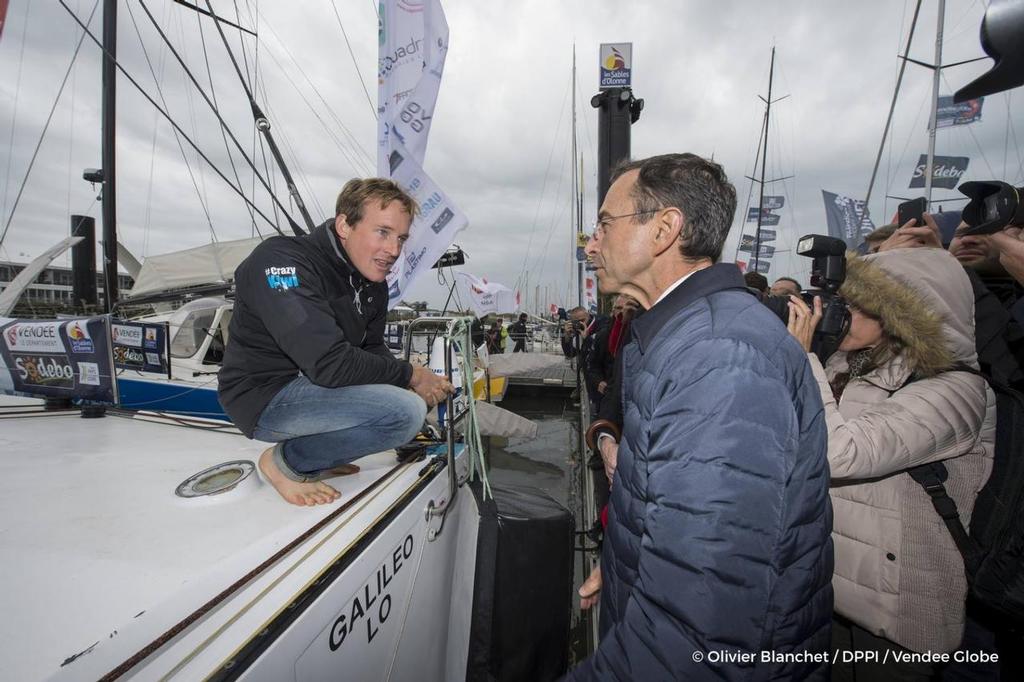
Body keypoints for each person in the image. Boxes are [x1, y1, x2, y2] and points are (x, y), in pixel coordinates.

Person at [569, 153, 833, 680]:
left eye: (603, 223)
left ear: (665, 229)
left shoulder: (720, 355)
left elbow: (697, 629)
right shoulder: (681, 335)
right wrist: (624, 566)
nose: (590, 243)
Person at [787, 248, 995, 681]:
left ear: (903, 315)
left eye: (858, 307)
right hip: (834, 592)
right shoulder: (851, 367)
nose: (842, 315)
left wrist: (802, 358)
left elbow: (837, 452)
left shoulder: (957, 391)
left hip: (901, 616)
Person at [218, 178, 454, 506]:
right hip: (264, 396)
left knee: (403, 396)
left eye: (400, 238)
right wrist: (412, 375)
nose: (394, 251)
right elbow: (330, 364)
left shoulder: (373, 284)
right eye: (382, 232)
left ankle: (320, 454)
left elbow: (371, 350)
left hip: (315, 388)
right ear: (345, 225)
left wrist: (411, 380)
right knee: (405, 412)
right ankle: (286, 462)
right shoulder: (280, 261)